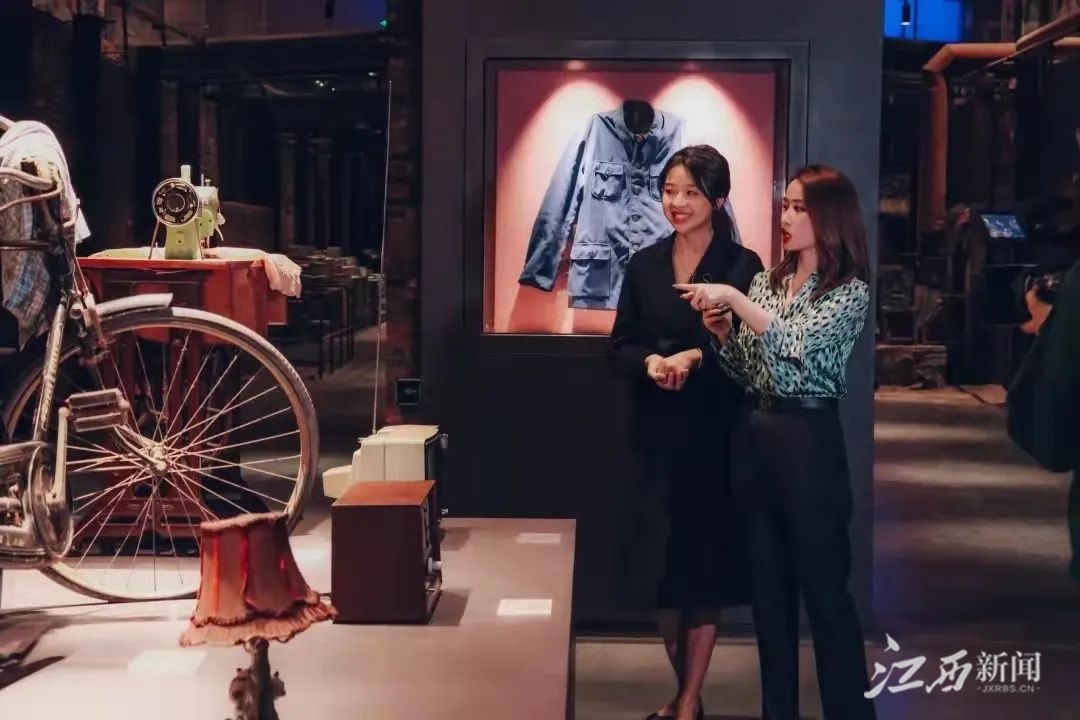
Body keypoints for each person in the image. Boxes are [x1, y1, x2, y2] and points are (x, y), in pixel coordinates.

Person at [674, 164, 876, 719]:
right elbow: (752, 369)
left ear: (829, 217)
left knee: (826, 593)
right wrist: (723, 337)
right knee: (769, 594)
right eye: (785, 206)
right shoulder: (767, 282)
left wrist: (735, 301)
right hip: (758, 434)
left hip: (808, 440)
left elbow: (795, 347)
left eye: (799, 208)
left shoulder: (848, 292)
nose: (786, 217)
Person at [609, 144, 763, 720]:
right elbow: (621, 345)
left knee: (701, 569)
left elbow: (752, 354)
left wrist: (697, 357)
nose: (677, 202)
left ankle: (688, 701)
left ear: (718, 200)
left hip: (714, 433)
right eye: (670, 191)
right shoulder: (644, 264)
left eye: (691, 193)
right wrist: (651, 362)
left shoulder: (742, 266)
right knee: (660, 570)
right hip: (653, 432)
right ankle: (685, 696)